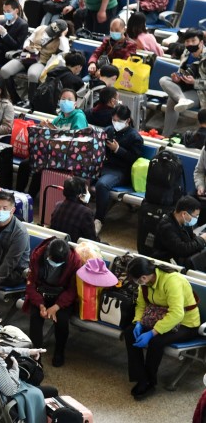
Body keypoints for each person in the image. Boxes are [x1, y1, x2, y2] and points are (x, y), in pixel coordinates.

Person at [125, 257, 202, 400]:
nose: (137, 284)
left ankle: (150, 382)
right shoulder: (145, 282)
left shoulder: (171, 281)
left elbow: (177, 313)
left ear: (143, 277)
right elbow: (141, 305)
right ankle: (141, 378)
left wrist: (152, 332)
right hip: (162, 318)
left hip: (186, 323)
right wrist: (138, 323)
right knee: (130, 332)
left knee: (156, 341)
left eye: (136, 280)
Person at [25, 237, 81, 368]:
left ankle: (59, 352)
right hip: (41, 291)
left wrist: (56, 306)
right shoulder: (38, 255)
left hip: (62, 295)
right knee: (35, 318)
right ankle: (36, 356)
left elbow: (73, 290)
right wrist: (40, 304)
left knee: (62, 320)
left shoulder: (74, 261)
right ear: (48, 254)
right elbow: (31, 283)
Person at [92, 104, 143, 230]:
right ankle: (80, 215)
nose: (115, 123)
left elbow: (134, 159)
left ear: (127, 121)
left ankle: (98, 219)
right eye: (114, 120)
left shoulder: (135, 137)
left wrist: (118, 150)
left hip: (120, 171)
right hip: (103, 166)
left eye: (119, 121)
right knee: (80, 177)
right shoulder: (109, 130)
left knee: (102, 185)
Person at [152, 196, 206, 271]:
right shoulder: (166, 227)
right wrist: (201, 239)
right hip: (170, 263)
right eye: (195, 216)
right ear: (184, 214)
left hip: (181, 258)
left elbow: (190, 239)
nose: (196, 218)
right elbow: (182, 249)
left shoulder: (184, 222)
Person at [50, 177, 98, 243]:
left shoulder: (58, 205)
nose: (88, 193)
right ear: (80, 195)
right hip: (75, 248)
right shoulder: (86, 213)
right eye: (87, 191)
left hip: (57, 244)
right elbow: (92, 240)